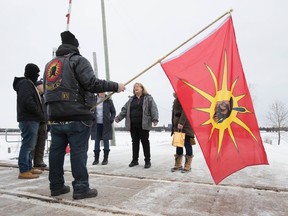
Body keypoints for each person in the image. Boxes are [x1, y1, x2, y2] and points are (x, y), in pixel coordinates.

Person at [43, 31, 125, 200]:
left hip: (54, 115)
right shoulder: (78, 60)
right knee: (78, 152)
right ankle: (81, 188)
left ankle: (56, 186)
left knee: (56, 152)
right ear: (75, 46)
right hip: (77, 115)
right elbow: (92, 83)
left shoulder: (49, 65)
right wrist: (115, 86)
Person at [115, 83, 159, 169]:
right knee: (134, 142)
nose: (135, 88)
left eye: (137, 87)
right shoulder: (131, 100)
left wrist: (155, 119)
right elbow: (124, 110)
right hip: (133, 124)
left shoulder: (148, 98)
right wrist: (118, 118)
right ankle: (135, 160)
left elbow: (153, 108)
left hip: (144, 124)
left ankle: (147, 161)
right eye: (134, 87)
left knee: (145, 142)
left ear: (142, 88)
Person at [13, 63, 45, 179]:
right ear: (32, 73)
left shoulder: (28, 83)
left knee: (30, 145)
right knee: (27, 145)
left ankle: (28, 166)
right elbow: (27, 102)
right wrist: (40, 113)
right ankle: (23, 170)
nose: (38, 75)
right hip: (28, 119)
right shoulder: (25, 84)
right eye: (37, 73)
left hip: (31, 119)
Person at [171, 93, 195, 173]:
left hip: (185, 124)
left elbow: (186, 110)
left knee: (187, 143)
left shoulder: (187, 97)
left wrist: (181, 122)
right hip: (177, 124)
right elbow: (174, 113)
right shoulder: (176, 98)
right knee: (178, 144)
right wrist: (174, 124)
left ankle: (188, 165)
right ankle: (178, 164)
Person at [91, 92, 116, 165]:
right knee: (96, 141)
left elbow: (113, 112)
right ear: (98, 92)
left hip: (106, 124)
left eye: (104, 92)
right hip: (96, 124)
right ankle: (96, 159)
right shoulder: (93, 100)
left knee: (106, 140)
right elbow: (89, 110)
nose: (103, 93)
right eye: (101, 92)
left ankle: (105, 159)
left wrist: (111, 119)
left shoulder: (108, 100)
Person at [33, 79, 48, 169]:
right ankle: (28, 162)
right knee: (32, 143)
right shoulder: (34, 96)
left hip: (43, 122)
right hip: (35, 122)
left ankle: (38, 161)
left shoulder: (44, 97)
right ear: (38, 86)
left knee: (41, 142)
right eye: (42, 85)